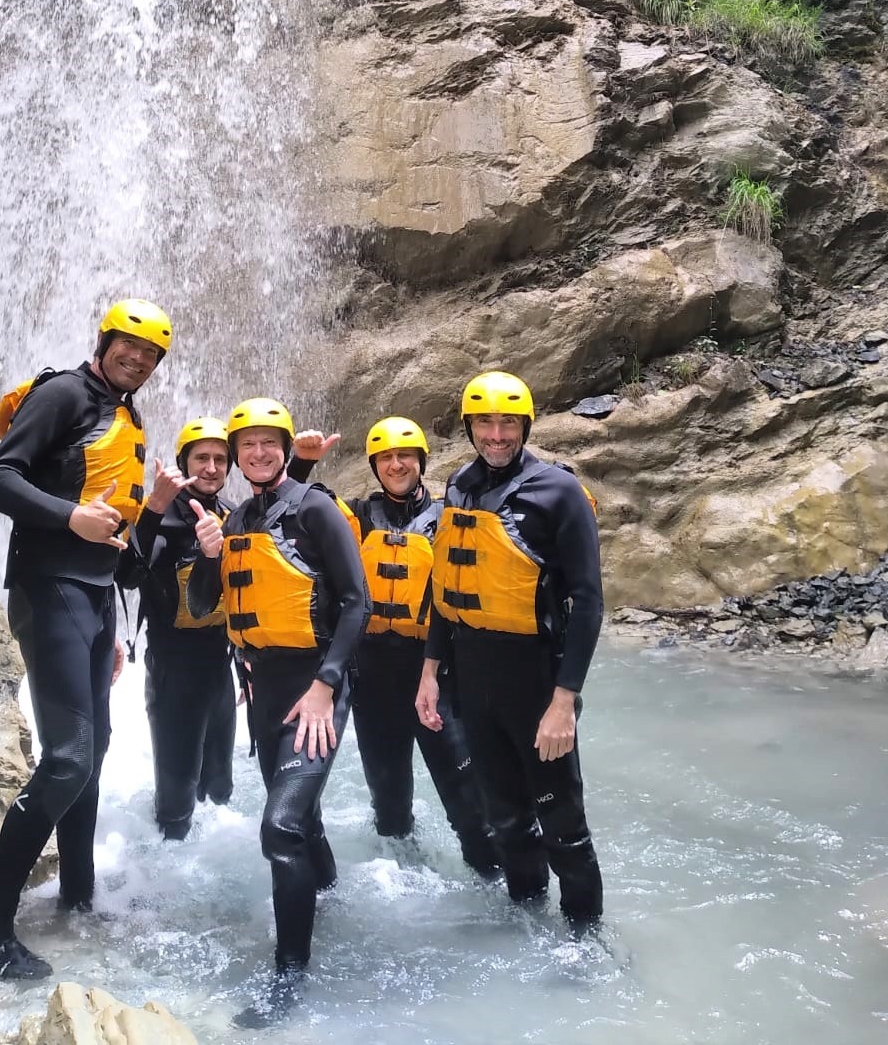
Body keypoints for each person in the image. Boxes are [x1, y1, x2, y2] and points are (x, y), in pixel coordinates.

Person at [0, 297, 182, 981]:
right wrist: (68, 518)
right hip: (48, 588)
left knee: (93, 752)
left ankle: (78, 898)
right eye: (128, 346)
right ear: (105, 341)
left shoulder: (127, 416)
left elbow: (116, 547)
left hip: (91, 601)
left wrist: (110, 617)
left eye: (149, 354)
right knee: (66, 759)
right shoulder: (64, 393)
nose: (137, 359)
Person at [187, 397, 369, 1026]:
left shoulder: (315, 508)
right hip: (265, 686)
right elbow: (205, 603)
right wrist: (208, 553)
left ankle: (289, 975)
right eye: (248, 445)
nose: (259, 453)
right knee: (300, 817)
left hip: (317, 684)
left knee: (281, 827)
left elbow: (357, 602)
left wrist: (325, 684)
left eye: (270, 443)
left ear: (287, 449)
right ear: (237, 456)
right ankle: (328, 896)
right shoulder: (236, 518)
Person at [416, 370, 604, 930]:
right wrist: (429, 672)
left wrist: (563, 701)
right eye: (484, 423)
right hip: (474, 682)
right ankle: (526, 922)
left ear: (525, 426)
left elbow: (588, 601)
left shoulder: (559, 491)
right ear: (469, 426)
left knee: (563, 826)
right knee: (506, 819)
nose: (496, 435)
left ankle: (585, 941)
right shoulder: (458, 486)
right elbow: (444, 590)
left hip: (536, 682)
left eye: (507, 423)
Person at [287, 417, 498, 876]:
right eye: (386, 458)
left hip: (437, 679)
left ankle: (492, 885)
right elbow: (294, 509)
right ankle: (403, 884)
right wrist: (301, 463)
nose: (396, 465)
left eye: (405, 456)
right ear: (375, 466)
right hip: (373, 681)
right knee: (390, 809)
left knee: (471, 808)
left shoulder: (448, 517)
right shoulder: (357, 516)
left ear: (421, 462)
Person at [119, 416, 237, 840]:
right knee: (176, 806)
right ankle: (164, 863)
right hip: (173, 671)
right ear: (183, 462)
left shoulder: (230, 515)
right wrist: (153, 507)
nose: (211, 467)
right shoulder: (161, 517)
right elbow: (127, 575)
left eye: (220, 459)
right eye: (201, 458)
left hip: (220, 668)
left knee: (220, 791)